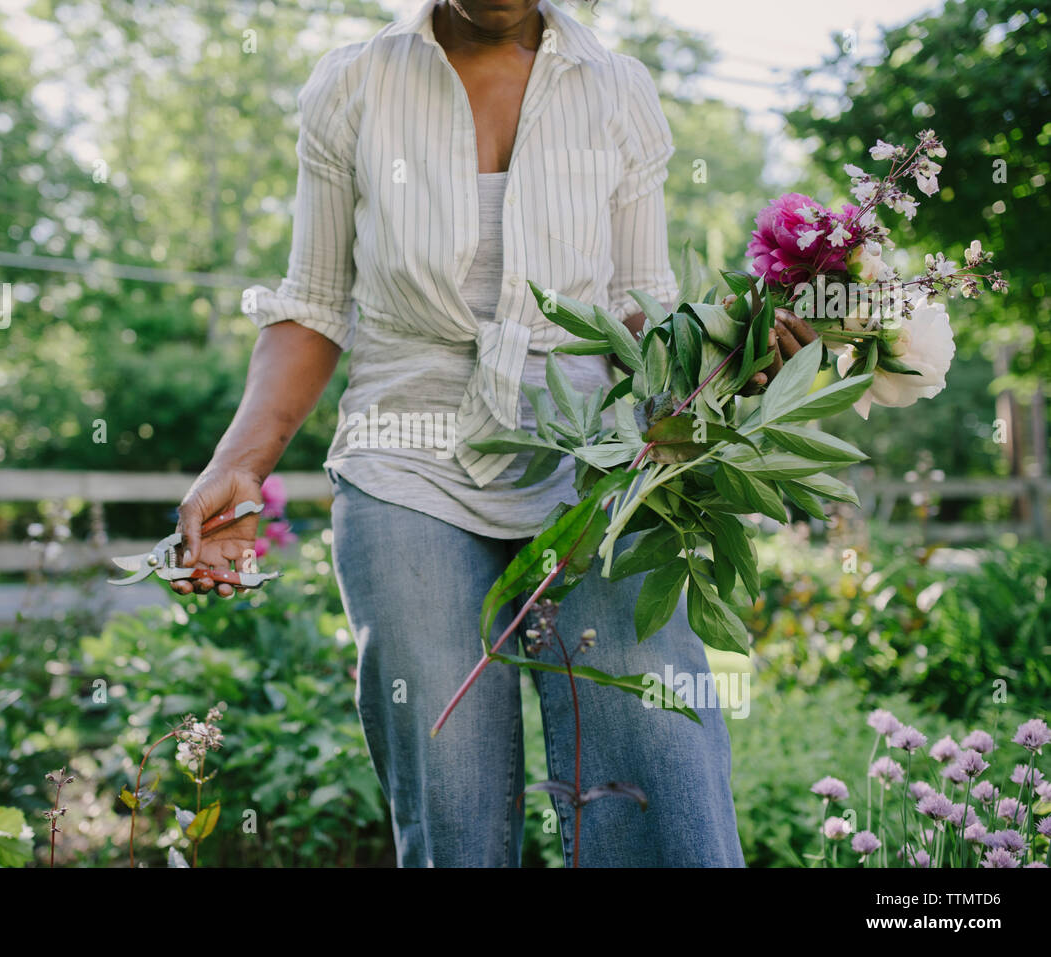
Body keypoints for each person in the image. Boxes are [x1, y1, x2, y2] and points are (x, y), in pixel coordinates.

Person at [173, 0, 815, 866]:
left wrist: (730, 349)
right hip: (406, 466)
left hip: (595, 465)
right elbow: (313, 305)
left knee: (662, 752)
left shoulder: (616, 90)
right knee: (454, 798)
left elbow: (643, 311)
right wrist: (238, 466)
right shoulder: (356, 83)